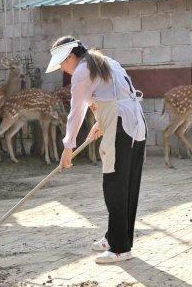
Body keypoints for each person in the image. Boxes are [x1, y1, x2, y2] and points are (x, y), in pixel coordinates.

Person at [45, 36, 147, 264]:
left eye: (63, 63)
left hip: (121, 125)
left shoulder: (82, 71)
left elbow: (76, 111)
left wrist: (67, 147)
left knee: (116, 186)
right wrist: (100, 123)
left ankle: (120, 248)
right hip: (132, 122)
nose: (63, 68)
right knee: (123, 184)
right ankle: (114, 238)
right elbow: (112, 96)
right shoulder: (104, 61)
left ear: (71, 56)